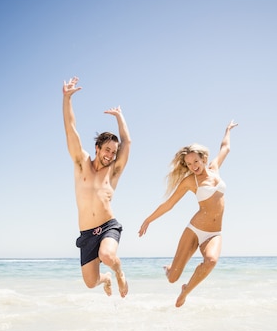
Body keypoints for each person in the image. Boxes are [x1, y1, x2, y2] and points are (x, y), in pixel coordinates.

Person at [139, 120, 238, 307]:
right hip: (195, 230)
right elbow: (169, 204)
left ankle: (186, 291)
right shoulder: (190, 181)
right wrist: (148, 220)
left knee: (210, 261)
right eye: (189, 164)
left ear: (203, 159)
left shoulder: (215, 169)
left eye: (196, 162)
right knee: (172, 278)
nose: (193, 166)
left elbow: (226, 148)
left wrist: (227, 130)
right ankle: (169, 270)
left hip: (215, 233)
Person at [63, 76, 131, 297]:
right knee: (91, 283)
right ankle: (107, 278)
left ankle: (118, 272)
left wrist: (120, 118)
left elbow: (127, 143)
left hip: (108, 226)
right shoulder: (81, 163)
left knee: (108, 257)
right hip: (86, 233)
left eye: (113, 152)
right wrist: (67, 99)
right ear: (97, 148)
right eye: (107, 150)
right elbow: (71, 130)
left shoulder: (113, 173)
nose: (111, 155)